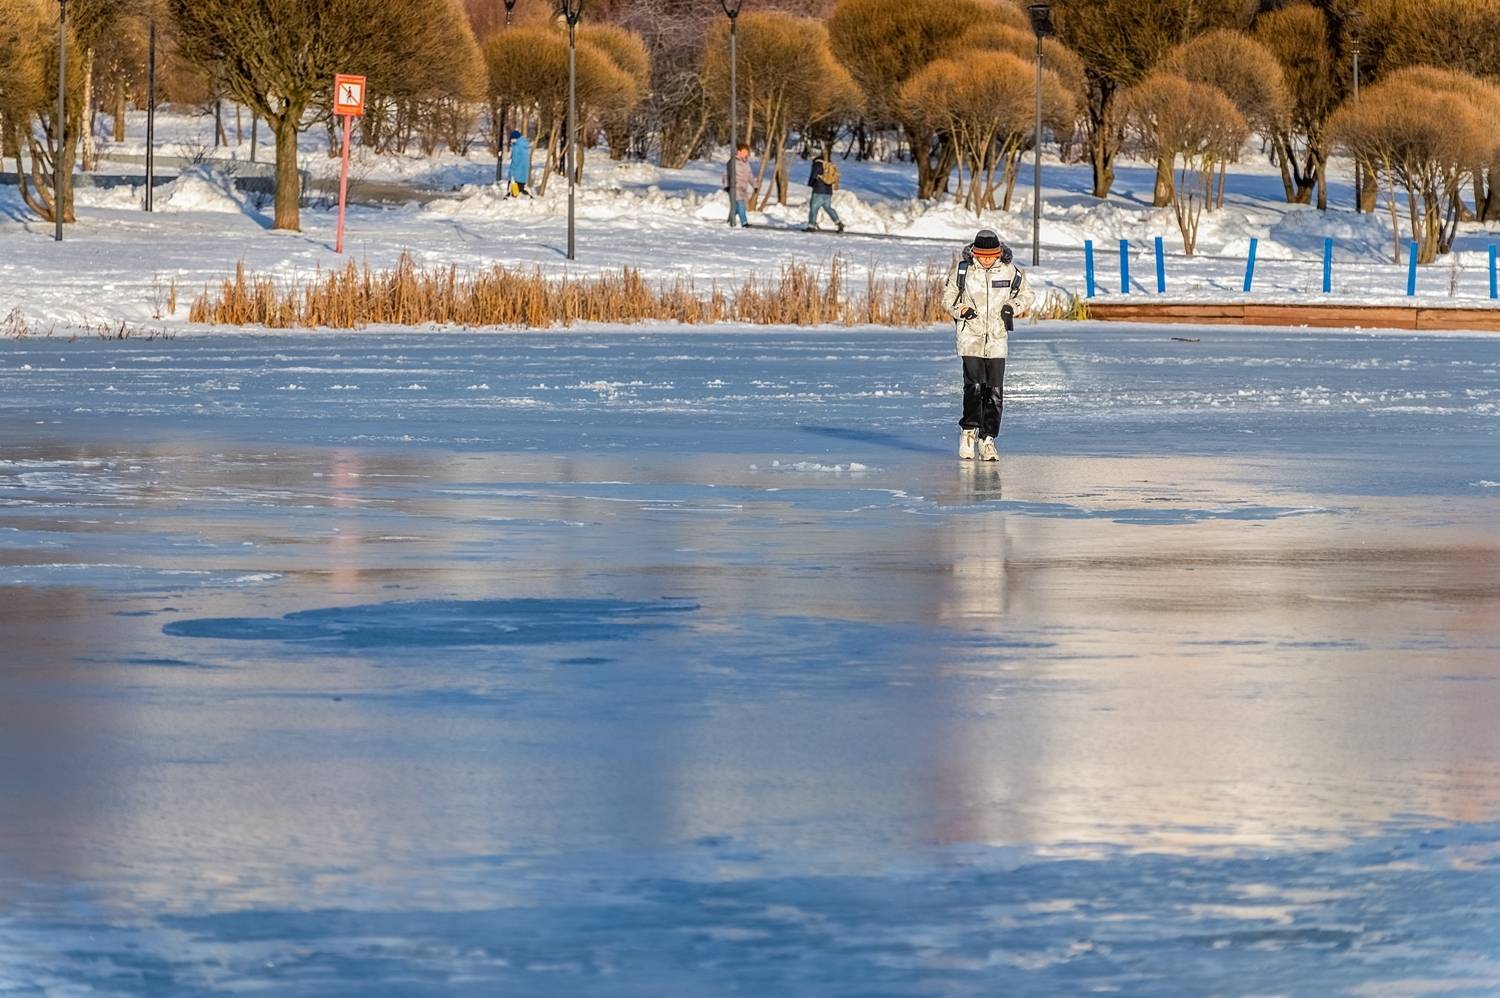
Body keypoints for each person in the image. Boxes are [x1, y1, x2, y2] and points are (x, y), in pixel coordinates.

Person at [943, 229, 1035, 462]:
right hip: (970, 337)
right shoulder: (963, 271)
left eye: (990, 255)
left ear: (998, 253)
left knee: (994, 392)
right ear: (974, 252)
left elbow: (1026, 295)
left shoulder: (1010, 271)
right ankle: (969, 431)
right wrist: (961, 309)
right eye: (981, 255)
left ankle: (987, 439)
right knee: (974, 386)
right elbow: (948, 296)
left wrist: (1012, 307)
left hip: (996, 339)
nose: (985, 259)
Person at [805, 153, 844, 233]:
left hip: (818, 190)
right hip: (828, 191)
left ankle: (811, 226)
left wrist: (810, 184)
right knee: (828, 208)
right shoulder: (828, 162)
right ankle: (839, 223)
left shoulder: (817, 163)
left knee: (814, 208)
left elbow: (813, 176)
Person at [724, 144, 753, 228]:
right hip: (734, 187)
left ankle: (729, 221)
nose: (746, 154)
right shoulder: (732, 162)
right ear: (739, 152)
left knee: (735, 207)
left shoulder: (746, 163)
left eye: (747, 152)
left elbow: (749, 174)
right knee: (740, 204)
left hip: (743, 188)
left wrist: (754, 184)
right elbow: (726, 174)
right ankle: (744, 222)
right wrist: (727, 185)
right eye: (744, 152)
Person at [507, 130, 533, 198]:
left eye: (511, 138)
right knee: (520, 190)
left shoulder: (516, 147)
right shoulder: (525, 146)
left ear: (515, 138)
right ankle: (528, 197)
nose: (511, 140)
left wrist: (511, 173)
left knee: (514, 194)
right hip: (523, 175)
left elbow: (514, 162)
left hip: (516, 175)